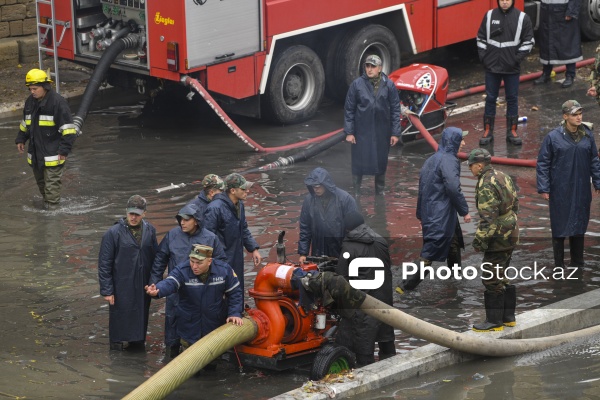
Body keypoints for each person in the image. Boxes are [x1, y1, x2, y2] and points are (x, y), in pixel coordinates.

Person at [397, 127, 471, 293]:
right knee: (429, 254)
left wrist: (420, 215)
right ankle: (403, 288)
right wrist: (464, 211)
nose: (464, 143)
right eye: (461, 140)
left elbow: (422, 188)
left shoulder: (431, 159)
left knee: (454, 245)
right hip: (441, 216)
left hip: (435, 214)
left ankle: (456, 281)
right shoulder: (450, 160)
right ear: (454, 141)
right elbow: (453, 187)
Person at [149, 203, 227, 358]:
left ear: (196, 220)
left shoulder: (210, 238)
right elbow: (160, 260)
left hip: (200, 291)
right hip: (175, 289)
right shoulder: (172, 235)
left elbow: (222, 264)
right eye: (180, 219)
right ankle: (171, 355)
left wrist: (220, 289)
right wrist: (155, 283)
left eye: (186, 219)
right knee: (172, 321)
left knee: (199, 324)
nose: (182, 222)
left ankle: (204, 359)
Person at [145, 244, 243, 354]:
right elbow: (170, 282)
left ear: (209, 261)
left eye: (199, 263)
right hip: (189, 328)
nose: (194, 266)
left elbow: (235, 293)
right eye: (192, 261)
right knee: (190, 361)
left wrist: (234, 313)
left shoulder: (224, 271)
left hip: (214, 327)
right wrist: (157, 290)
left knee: (212, 365)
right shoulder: (182, 270)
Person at [536, 100, 600, 268]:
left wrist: (598, 182)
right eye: (574, 114)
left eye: (580, 114)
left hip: (582, 189)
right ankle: (558, 265)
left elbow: (594, 159)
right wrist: (544, 187)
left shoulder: (587, 134)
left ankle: (578, 263)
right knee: (559, 224)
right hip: (560, 189)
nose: (579, 117)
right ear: (565, 117)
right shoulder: (553, 137)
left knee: (580, 223)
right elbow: (543, 163)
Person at [468, 149, 519, 332]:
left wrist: (479, 243)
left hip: (498, 236)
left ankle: (494, 322)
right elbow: (516, 203)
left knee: (490, 278)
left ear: (479, 165)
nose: (470, 169)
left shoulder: (485, 184)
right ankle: (508, 318)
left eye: (471, 166)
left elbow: (488, 219)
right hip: (512, 230)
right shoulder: (502, 175)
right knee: (502, 273)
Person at [335, 210, 396, 366]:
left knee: (364, 353)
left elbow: (340, 280)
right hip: (385, 303)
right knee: (387, 346)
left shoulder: (348, 246)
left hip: (363, 307)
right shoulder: (381, 240)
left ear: (346, 228)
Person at [98, 195, 158, 350]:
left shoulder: (150, 230)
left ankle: (137, 347)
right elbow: (104, 263)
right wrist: (107, 290)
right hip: (121, 285)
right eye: (131, 213)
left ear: (144, 213)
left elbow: (155, 258)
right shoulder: (113, 233)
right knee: (120, 317)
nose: (133, 217)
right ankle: (117, 349)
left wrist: (154, 282)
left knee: (140, 316)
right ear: (126, 212)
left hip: (143, 284)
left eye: (137, 214)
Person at [15, 69, 78, 209]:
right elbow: (26, 123)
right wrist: (20, 139)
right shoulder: (30, 102)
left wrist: (64, 151)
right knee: (42, 186)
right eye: (30, 89)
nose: (32, 91)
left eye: (35, 88)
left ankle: (52, 216)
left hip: (54, 155)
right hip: (37, 155)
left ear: (45, 86)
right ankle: (48, 207)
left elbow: (68, 130)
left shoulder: (58, 103)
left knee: (51, 189)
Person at [476, 0, 534, 146]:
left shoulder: (522, 18)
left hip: (511, 68)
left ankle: (512, 132)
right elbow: (481, 38)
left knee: (512, 99)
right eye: (502, 0)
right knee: (490, 98)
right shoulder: (489, 16)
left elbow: (529, 41)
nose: (505, 2)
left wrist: (516, 59)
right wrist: (484, 58)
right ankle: (488, 131)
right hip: (492, 67)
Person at [343, 54, 401, 195]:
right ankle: (356, 192)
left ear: (379, 68)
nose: (369, 69)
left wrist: (395, 133)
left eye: (373, 66)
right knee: (358, 162)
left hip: (382, 131)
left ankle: (379, 191)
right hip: (361, 132)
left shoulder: (389, 85)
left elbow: (395, 109)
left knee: (381, 161)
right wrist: (349, 132)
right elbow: (349, 109)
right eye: (367, 66)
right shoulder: (357, 85)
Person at [203, 173, 261, 295]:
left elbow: (243, 228)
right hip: (221, 259)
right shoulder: (215, 208)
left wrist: (253, 249)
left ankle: (238, 312)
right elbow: (206, 239)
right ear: (233, 190)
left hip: (236, 256)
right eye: (243, 189)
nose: (247, 191)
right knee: (222, 292)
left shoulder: (239, 205)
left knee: (237, 288)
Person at [298, 167, 358, 263]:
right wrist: (303, 253)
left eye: (318, 186)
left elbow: (354, 229)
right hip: (318, 251)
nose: (315, 190)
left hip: (339, 249)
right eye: (313, 187)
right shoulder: (309, 200)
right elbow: (305, 228)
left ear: (326, 184)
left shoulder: (345, 199)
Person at [533, 0, 582, 89]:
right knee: (547, 43)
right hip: (546, 9)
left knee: (567, 44)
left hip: (563, 9)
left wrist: (571, 11)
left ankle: (570, 75)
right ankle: (546, 73)